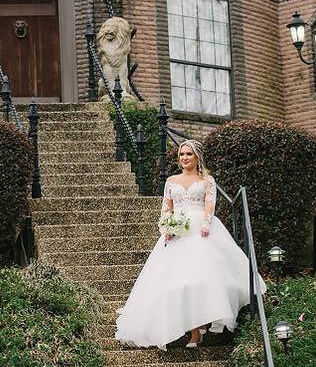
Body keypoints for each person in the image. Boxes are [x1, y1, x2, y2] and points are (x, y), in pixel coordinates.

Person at [114, 139, 265, 350]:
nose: (184, 158)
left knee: (201, 280)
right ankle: (185, 329)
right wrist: (167, 227)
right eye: (182, 155)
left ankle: (198, 330)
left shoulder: (207, 180)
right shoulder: (171, 181)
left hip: (201, 233)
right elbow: (166, 207)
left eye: (189, 154)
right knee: (178, 283)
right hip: (178, 234)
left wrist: (205, 224)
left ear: (197, 157)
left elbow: (210, 205)